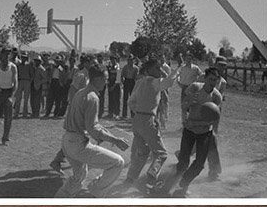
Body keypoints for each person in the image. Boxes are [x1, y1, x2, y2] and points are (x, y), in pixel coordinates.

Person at [55, 66, 130, 198]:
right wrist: (115, 140)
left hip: (67, 141)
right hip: (78, 144)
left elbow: (89, 124)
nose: (106, 82)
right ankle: (95, 192)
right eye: (105, 79)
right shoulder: (93, 97)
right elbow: (93, 128)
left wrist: (102, 134)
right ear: (99, 79)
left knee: (79, 176)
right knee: (117, 163)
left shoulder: (81, 92)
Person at [124, 57, 179, 193]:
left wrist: (140, 112)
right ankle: (152, 175)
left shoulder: (140, 82)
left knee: (142, 153)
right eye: (156, 68)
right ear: (148, 70)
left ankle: (130, 178)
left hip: (137, 119)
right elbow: (170, 81)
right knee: (161, 154)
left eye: (160, 67)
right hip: (148, 120)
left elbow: (130, 102)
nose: (159, 70)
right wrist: (177, 68)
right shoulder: (155, 82)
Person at [171, 101, 222, 198]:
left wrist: (212, 128)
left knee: (199, 163)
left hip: (204, 133)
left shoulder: (216, 96)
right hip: (191, 132)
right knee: (185, 161)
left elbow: (216, 115)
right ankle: (177, 182)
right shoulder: (195, 90)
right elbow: (185, 107)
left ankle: (184, 182)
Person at [177, 56, 202, 122]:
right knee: (183, 105)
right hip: (184, 88)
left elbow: (201, 75)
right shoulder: (182, 68)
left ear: (191, 60)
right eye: (186, 59)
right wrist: (179, 82)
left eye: (189, 59)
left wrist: (197, 83)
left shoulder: (195, 68)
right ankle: (184, 122)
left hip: (192, 88)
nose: (188, 60)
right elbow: (178, 75)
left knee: (192, 105)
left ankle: (191, 121)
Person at [15, 52, 32, 117]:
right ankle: (16, 113)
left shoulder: (28, 65)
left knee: (26, 98)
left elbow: (31, 74)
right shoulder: (18, 65)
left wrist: (30, 81)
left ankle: (25, 113)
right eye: (23, 57)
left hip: (27, 81)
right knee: (18, 98)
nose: (24, 59)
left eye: (25, 57)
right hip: (20, 81)